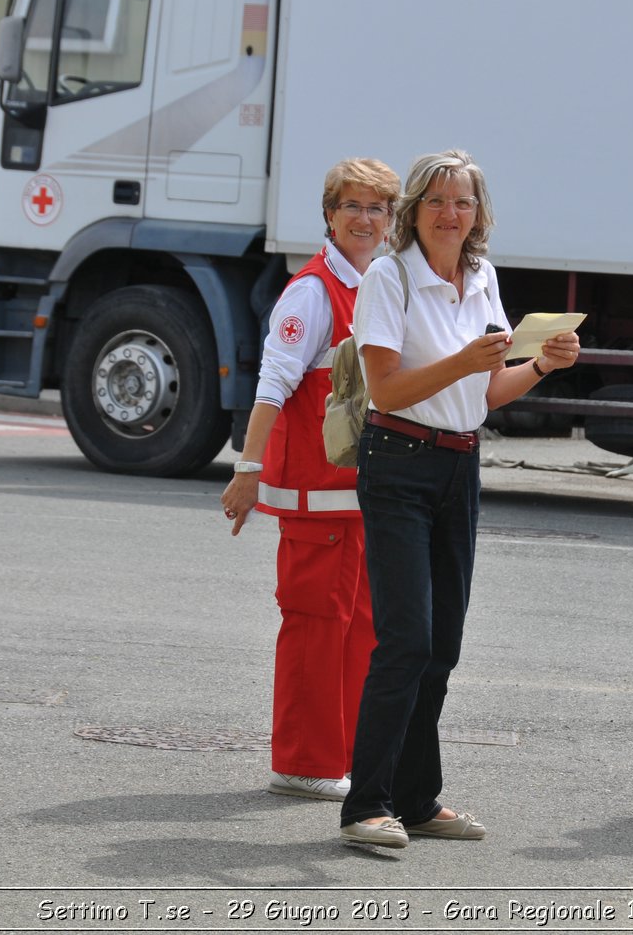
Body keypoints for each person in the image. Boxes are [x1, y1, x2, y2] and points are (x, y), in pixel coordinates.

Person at [336, 149, 581, 848]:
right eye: (438, 200)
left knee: (442, 646)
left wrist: (540, 364)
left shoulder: (481, 276)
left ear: (479, 215)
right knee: (406, 639)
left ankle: (416, 798)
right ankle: (365, 804)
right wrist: (466, 361)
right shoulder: (390, 277)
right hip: (399, 462)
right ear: (413, 209)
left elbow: (486, 391)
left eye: (464, 202)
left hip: (458, 466)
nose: (451, 213)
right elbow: (386, 389)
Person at [220, 158, 401, 802]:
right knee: (316, 626)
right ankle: (302, 761)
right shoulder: (312, 291)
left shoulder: (375, 282)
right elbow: (273, 384)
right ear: (329, 214)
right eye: (351, 206)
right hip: (315, 500)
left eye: (377, 208)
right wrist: (248, 469)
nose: (364, 218)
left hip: (358, 499)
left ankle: (344, 754)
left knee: (361, 630)